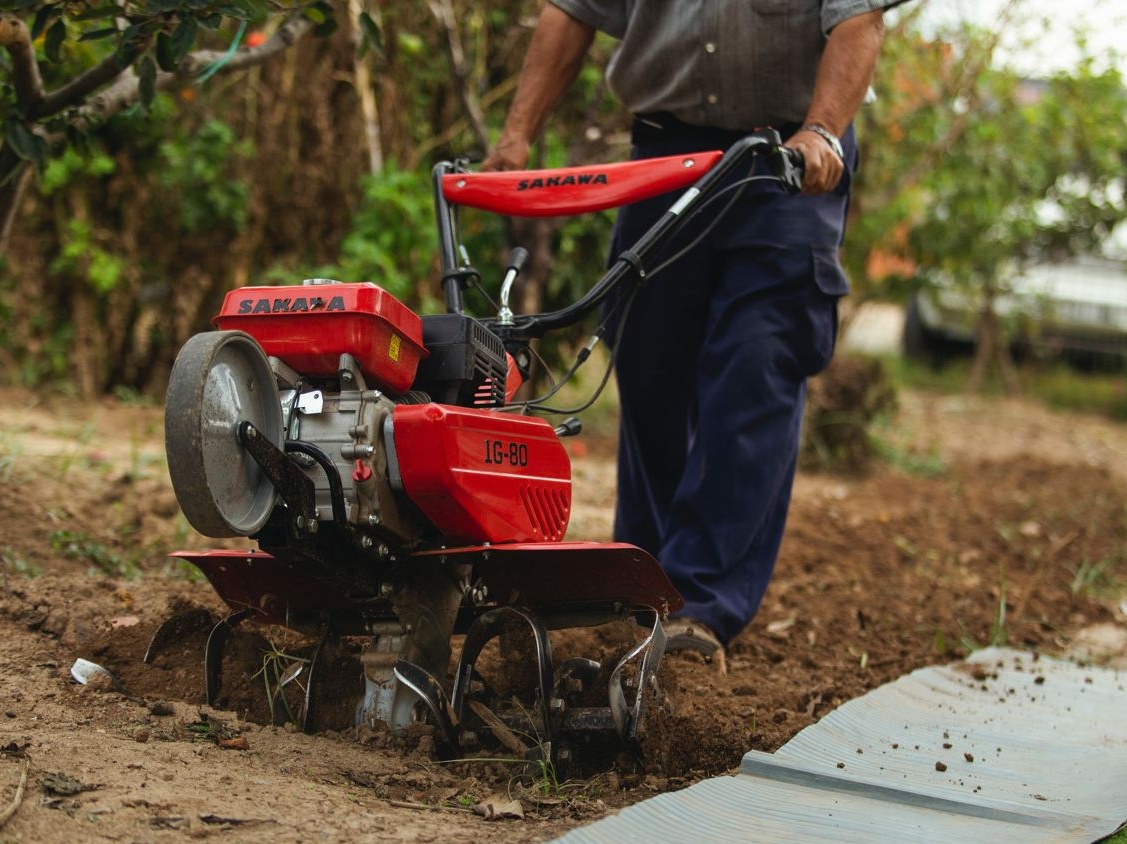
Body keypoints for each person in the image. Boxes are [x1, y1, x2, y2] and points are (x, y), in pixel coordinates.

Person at [484, 1, 907, 663]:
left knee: (756, 365)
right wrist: (516, 137)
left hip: (786, 158)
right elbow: (571, 10)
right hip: (665, 150)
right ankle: (647, 584)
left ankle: (701, 604)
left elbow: (859, 17)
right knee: (649, 367)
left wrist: (823, 130)